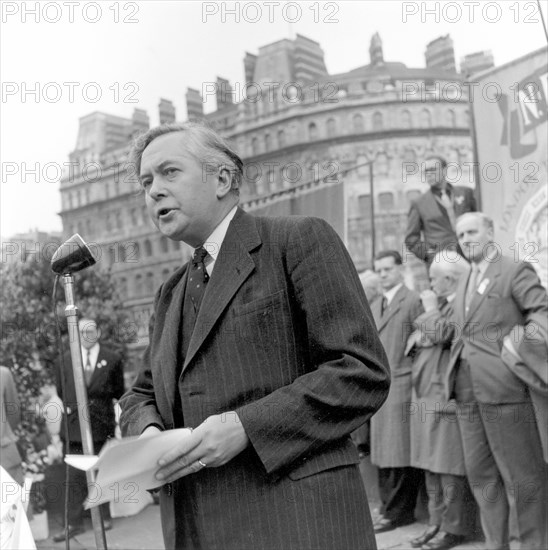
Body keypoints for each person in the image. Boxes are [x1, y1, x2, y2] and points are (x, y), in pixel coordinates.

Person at [119, 122, 390, 550]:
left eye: (169, 172)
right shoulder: (169, 292)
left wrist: (247, 426)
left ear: (223, 179)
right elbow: (139, 394)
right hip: (198, 528)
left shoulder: (297, 240)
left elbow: (361, 371)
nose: (153, 191)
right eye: (146, 181)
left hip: (298, 522)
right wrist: (149, 433)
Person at [446, 212, 547, 549]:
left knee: (521, 478)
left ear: (490, 232)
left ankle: (528, 545)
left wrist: (518, 347)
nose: (466, 239)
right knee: (482, 477)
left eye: (472, 231)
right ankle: (496, 545)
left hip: (505, 390)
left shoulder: (513, 270)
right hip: (465, 392)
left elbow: (541, 311)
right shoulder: (463, 280)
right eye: (461, 235)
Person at [406, 252, 476, 550]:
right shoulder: (440, 305)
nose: (430, 283)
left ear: (450, 279)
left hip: (444, 397)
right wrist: (424, 334)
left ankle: (454, 528)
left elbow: (443, 333)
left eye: (434, 278)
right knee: (429, 466)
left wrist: (430, 314)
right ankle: (435, 523)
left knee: (449, 467)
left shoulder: (461, 303)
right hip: (425, 397)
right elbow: (412, 343)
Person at [53, 318, 125, 542]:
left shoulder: (112, 359)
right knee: (74, 476)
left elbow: (118, 390)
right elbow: (61, 391)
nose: (86, 335)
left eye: (90, 330)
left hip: (101, 426)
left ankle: (103, 516)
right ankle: (73, 523)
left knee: (101, 471)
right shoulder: (63, 361)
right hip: (74, 428)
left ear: (98, 332)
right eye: (81, 331)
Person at [369, 250, 424, 533]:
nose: (382, 275)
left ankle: (399, 512)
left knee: (399, 452)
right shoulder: (377, 302)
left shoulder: (412, 300)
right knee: (383, 453)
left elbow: (421, 342)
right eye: (378, 270)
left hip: (402, 384)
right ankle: (387, 508)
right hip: (382, 387)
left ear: (400, 269)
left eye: (387, 269)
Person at [405, 156, 477, 265]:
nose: (428, 174)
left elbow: (480, 221)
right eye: (426, 171)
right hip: (441, 263)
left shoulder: (466, 193)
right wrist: (429, 255)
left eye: (432, 170)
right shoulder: (419, 203)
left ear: (444, 170)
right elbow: (411, 239)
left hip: (471, 257)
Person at [0, 366, 24, 486]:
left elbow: (13, 414)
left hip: (5, 458)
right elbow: (14, 414)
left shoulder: (3, 373)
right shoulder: (3, 373)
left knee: (15, 503)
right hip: (5, 454)